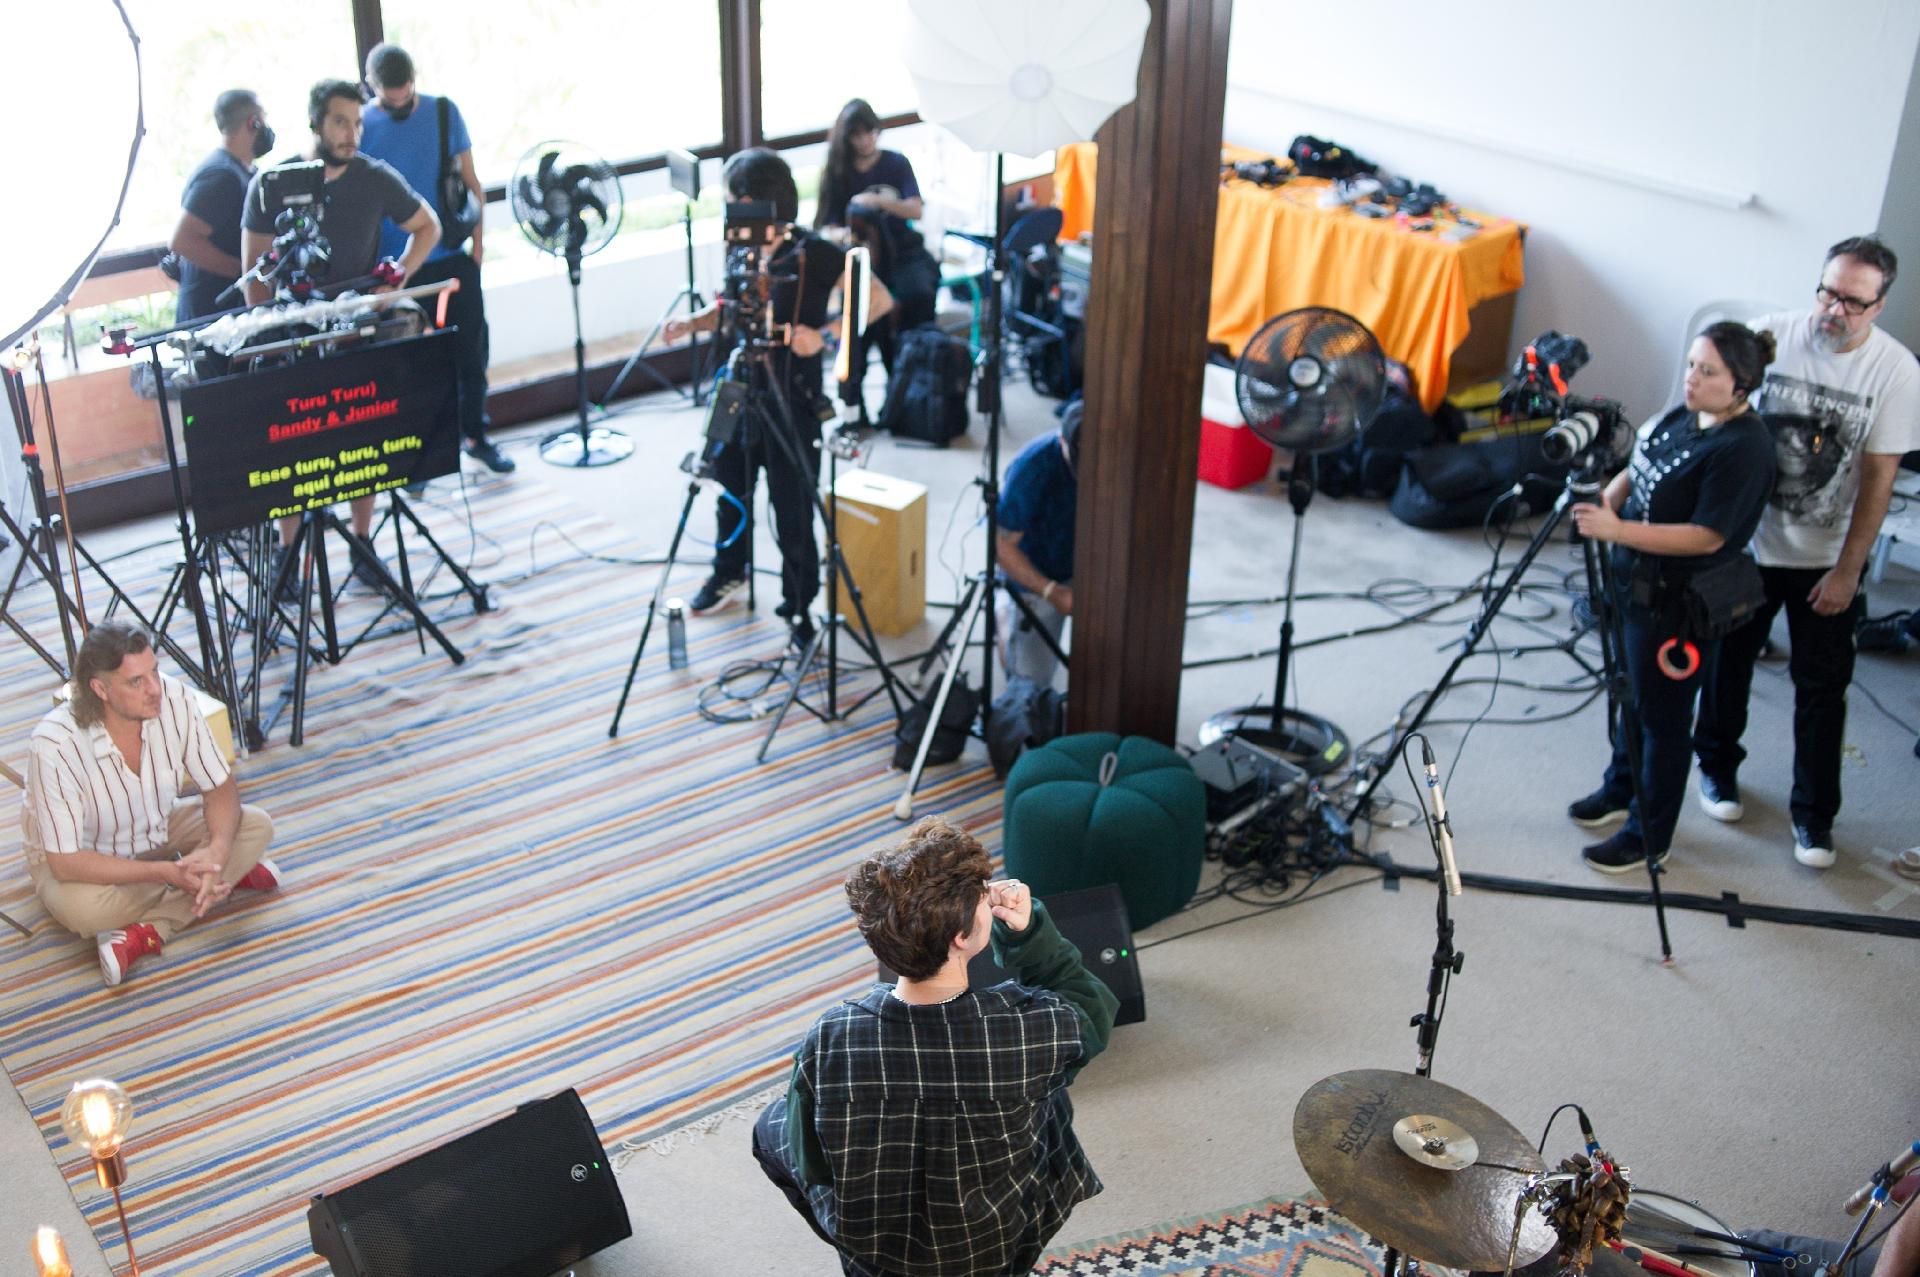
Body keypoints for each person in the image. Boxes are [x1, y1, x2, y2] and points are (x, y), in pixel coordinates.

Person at [751, 818, 1117, 1277]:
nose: (991, 896)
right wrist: (1028, 935)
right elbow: (1091, 1007)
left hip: (879, 1257)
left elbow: (812, 1162)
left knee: (770, 1127)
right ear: (962, 937)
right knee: (1052, 1096)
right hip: (996, 1247)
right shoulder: (1029, 1031)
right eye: (984, 893)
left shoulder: (832, 1034)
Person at [1691, 236, 1920, 870]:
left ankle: (1814, 818)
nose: (1833, 310)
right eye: (1827, 292)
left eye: (1852, 301)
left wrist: (1849, 571)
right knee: (1727, 666)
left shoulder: (1896, 371)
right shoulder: (1768, 338)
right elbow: (1711, 415)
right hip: (1749, 546)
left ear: (1877, 306)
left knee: (1823, 689)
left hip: (1825, 555)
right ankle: (1717, 770)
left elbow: (1878, 478)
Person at [1568, 323, 1778, 873]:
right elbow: (1638, 473)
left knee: (1662, 719)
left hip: (1678, 603)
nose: (1691, 379)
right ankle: (1620, 789)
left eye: (1708, 372)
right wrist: (1606, 502)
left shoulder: (1745, 449)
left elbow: (1706, 536)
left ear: (1742, 384)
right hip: (1632, 587)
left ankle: (1648, 834)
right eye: (1690, 364)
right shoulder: (1687, 417)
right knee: (1629, 697)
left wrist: (1616, 533)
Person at [667, 148, 892, 649]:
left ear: (762, 202)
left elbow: (877, 299)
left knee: (793, 508)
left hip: (793, 399)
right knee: (730, 491)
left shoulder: (814, 253)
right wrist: (695, 321)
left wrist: (827, 335)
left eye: (736, 201)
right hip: (739, 390)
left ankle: (799, 606)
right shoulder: (739, 249)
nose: (731, 213)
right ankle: (729, 571)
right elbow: (729, 306)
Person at [242, 78, 441, 591]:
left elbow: (429, 226)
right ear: (315, 122)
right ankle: (289, 556)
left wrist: (394, 282)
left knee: (362, 440)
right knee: (294, 450)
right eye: (339, 122)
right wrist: (270, 331)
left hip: (358, 331)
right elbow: (253, 275)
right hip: (291, 337)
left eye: (357, 122)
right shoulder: (272, 180)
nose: (351, 133)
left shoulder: (375, 179)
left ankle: (360, 542)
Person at [20, 622, 279, 987]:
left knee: (257, 825)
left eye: (154, 671)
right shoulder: (55, 745)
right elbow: (65, 863)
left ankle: (152, 925)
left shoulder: (176, 699)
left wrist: (217, 849)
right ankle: (217, 881)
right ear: (101, 689)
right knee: (82, 911)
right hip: (79, 858)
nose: (155, 689)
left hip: (154, 826)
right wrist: (170, 874)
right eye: (136, 682)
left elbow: (220, 788)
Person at [359, 42, 515, 475]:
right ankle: (417, 458)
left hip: (451, 256)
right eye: (392, 101)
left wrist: (479, 247)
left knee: (471, 351)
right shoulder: (361, 126)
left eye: (407, 95)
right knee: (408, 367)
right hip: (394, 268)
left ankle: (476, 437)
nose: (402, 105)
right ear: (372, 88)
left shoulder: (445, 112)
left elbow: (472, 183)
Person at [813, 99, 941, 421]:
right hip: (859, 261)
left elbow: (916, 208)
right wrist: (852, 230)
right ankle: (856, 411)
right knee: (858, 328)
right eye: (858, 134)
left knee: (914, 308)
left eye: (870, 132)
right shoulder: (836, 172)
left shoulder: (897, 163)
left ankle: (904, 400)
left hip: (903, 255)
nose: (866, 140)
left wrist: (878, 202)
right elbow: (824, 227)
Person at [995, 404, 1080, 687]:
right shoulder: (1032, 468)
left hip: (1083, 562)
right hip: (1037, 577)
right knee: (1029, 686)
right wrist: (1052, 592)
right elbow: (1001, 545)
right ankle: (1006, 615)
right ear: (1062, 441)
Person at [171, 89, 273, 323]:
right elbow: (182, 240)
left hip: (227, 313)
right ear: (253, 122)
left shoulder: (244, 172)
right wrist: (243, 273)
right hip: (212, 316)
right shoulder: (221, 177)